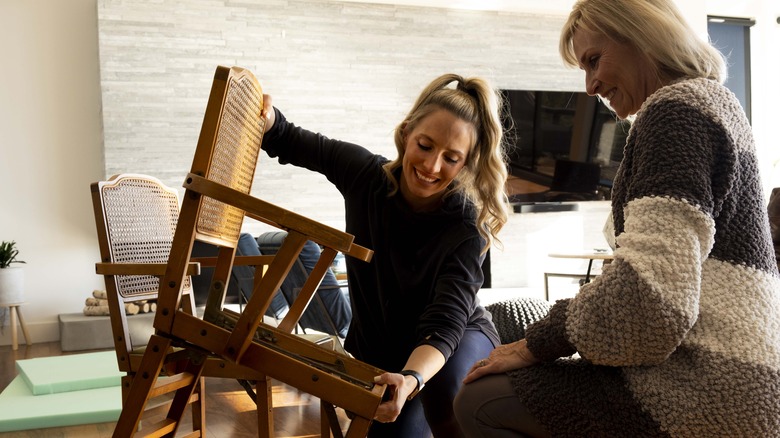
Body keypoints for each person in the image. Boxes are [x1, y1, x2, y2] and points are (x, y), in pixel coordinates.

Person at [453, 0, 780, 436]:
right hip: (749, 371)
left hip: (712, 383)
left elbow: (652, 303)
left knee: (477, 400)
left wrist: (536, 345)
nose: (590, 86)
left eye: (594, 61)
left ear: (642, 35)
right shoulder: (714, 103)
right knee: (508, 318)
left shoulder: (677, 113)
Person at [259, 73, 509, 437]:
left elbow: (446, 322)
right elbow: (289, 137)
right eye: (425, 145)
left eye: (451, 158)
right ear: (406, 133)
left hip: (453, 341)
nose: (432, 166)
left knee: (447, 394)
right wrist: (267, 120)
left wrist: (411, 378)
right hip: (381, 350)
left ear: (466, 164)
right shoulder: (365, 175)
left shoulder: (466, 226)